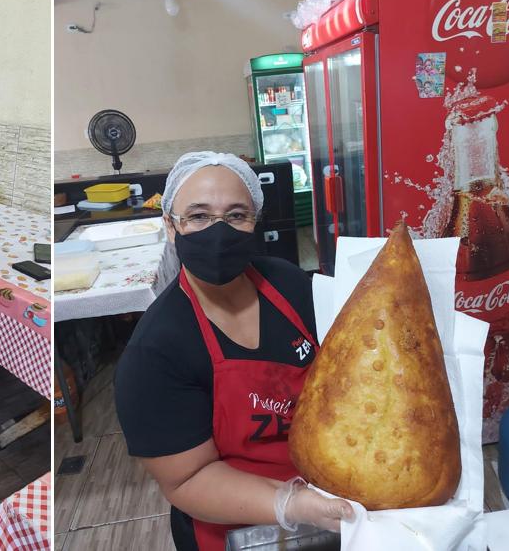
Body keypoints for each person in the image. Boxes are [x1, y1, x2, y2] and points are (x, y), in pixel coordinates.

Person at [114, 152, 354, 551]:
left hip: (335, 493)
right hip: (237, 528)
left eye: (236, 215)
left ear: (254, 223)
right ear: (171, 227)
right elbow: (188, 480)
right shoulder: (156, 351)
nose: (218, 232)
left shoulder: (290, 285)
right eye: (199, 216)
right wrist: (292, 503)